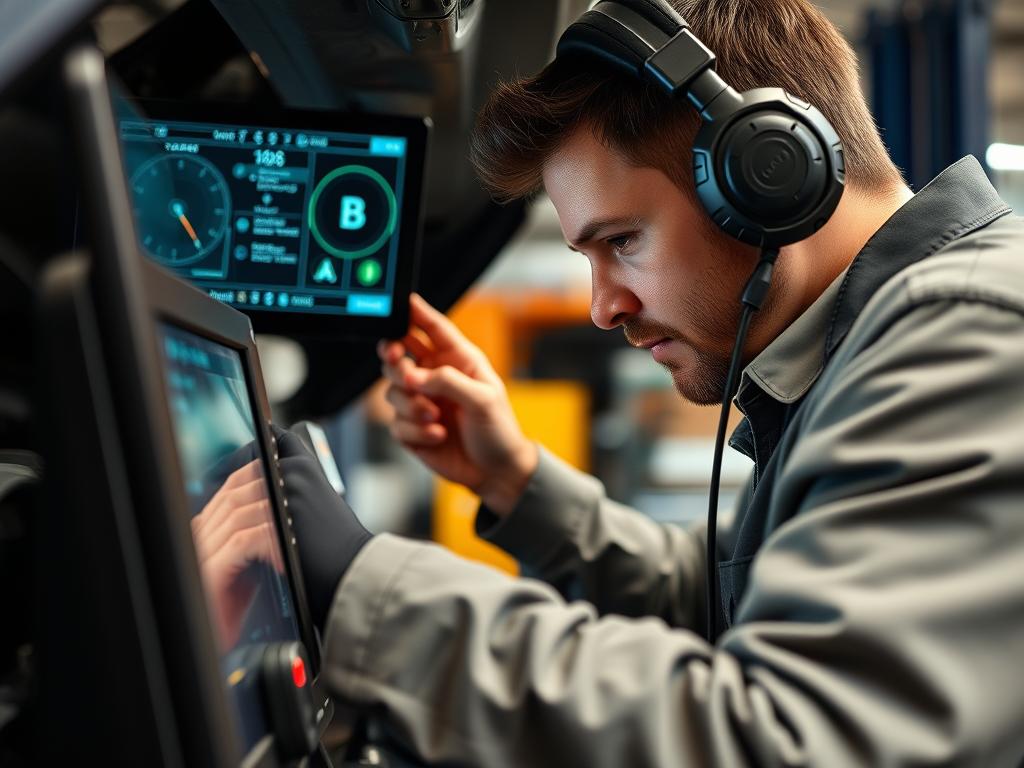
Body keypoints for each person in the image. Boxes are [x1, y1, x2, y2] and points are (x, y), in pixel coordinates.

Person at [277, 0, 1024, 765]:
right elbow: (718, 600)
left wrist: (372, 595)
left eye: (622, 241)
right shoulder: (866, 350)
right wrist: (514, 479)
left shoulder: (966, 331)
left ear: (765, 177)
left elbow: (793, 740)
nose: (604, 308)